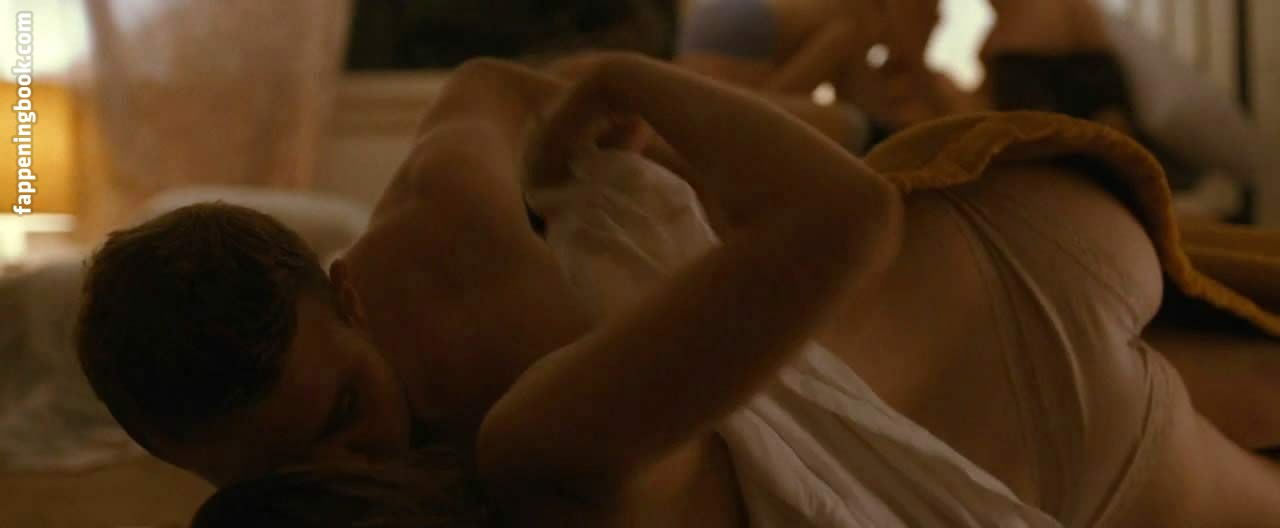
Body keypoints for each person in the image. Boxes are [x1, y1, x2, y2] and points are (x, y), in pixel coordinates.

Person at [79, 53, 1280, 526]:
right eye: (286, 469)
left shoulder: (465, 293)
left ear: (348, 297)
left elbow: (488, 85)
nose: (362, 452)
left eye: (345, 404)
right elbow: (487, 86)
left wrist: (607, 100)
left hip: (1049, 375)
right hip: (1028, 257)